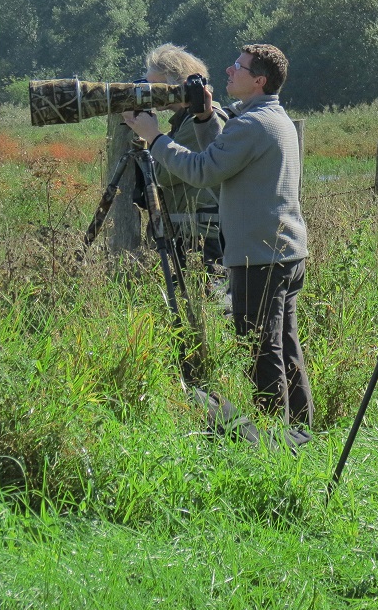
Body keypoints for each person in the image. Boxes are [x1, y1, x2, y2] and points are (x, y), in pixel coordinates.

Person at [123, 43, 314, 428]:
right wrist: (207, 114)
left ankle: (272, 442)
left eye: (239, 68)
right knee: (285, 345)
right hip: (287, 251)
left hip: (260, 255)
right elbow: (222, 153)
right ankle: (299, 432)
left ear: (258, 80)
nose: (228, 70)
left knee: (261, 348)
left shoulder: (251, 124)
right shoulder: (271, 117)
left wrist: (154, 137)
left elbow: (202, 171)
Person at [142, 43, 227, 280]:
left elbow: (164, 175)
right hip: (190, 230)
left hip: (199, 234)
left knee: (212, 304)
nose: (148, 92)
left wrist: (152, 136)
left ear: (176, 85)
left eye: (153, 86)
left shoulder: (199, 121)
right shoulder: (185, 121)